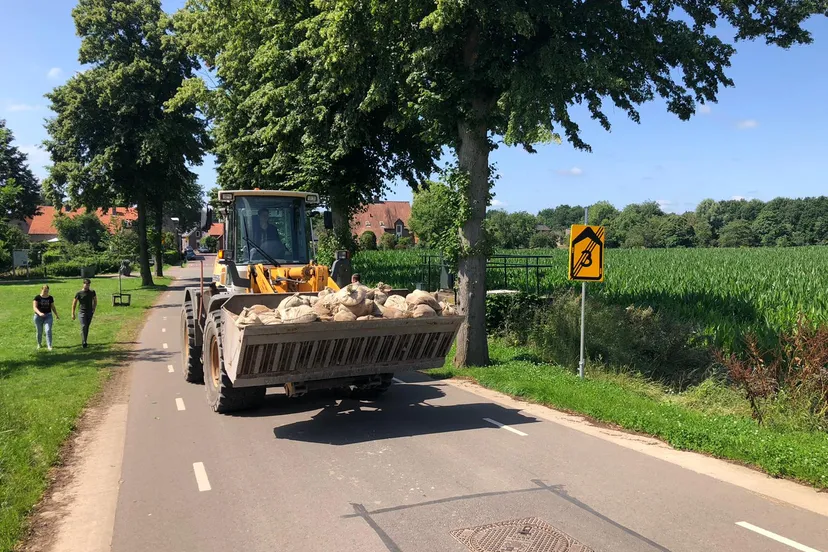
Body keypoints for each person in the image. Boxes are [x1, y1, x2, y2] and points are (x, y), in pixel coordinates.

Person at [72, 278, 97, 348]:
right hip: (82, 312)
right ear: (83, 284)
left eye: (88, 285)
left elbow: (95, 301)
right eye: (86, 284)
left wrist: (93, 309)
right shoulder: (79, 293)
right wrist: (73, 313)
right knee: (83, 326)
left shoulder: (92, 292)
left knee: (87, 327)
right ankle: (84, 342)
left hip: (89, 312)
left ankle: (85, 340)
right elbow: (74, 303)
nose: (87, 286)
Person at [33, 284, 59, 350]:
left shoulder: (50, 298)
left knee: (48, 330)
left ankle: (49, 345)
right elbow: (34, 307)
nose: (46, 292)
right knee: (39, 331)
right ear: (41, 290)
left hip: (48, 315)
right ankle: (39, 344)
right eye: (44, 291)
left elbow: (53, 307)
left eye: (47, 291)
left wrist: (56, 314)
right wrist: (40, 313)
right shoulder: (37, 297)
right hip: (38, 316)